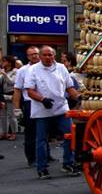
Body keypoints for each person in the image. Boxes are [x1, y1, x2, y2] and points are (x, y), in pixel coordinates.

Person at [24, 46, 80, 179]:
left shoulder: (61, 68)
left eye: (50, 55)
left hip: (61, 108)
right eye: (45, 55)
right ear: (40, 56)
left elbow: (69, 87)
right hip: (42, 111)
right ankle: (42, 168)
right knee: (42, 140)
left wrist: (77, 96)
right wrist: (42, 99)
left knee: (69, 136)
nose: (48, 57)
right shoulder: (33, 70)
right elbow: (30, 91)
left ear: (54, 55)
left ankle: (68, 163)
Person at [12, 46, 40, 166]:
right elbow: (17, 90)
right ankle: (31, 158)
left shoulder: (46, 67)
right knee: (30, 132)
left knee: (44, 131)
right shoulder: (22, 70)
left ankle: (46, 155)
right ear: (27, 56)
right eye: (31, 54)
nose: (34, 56)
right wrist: (17, 108)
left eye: (36, 54)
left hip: (45, 103)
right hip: (30, 103)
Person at [1, 56, 17, 140]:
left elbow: (11, 82)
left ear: (10, 62)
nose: (3, 63)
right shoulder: (2, 71)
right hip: (2, 95)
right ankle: (4, 133)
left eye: (5, 61)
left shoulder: (15, 71)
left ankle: (14, 133)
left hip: (11, 94)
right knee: (3, 115)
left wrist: (4, 74)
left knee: (11, 115)